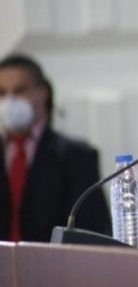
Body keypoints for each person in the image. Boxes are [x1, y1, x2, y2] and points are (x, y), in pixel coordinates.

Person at [0, 53, 110, 241]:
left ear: (43, 93)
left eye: (19, 91)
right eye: (2, 93)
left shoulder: (77, 157)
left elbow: (95, 233)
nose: (9, 101)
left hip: (53, 259)